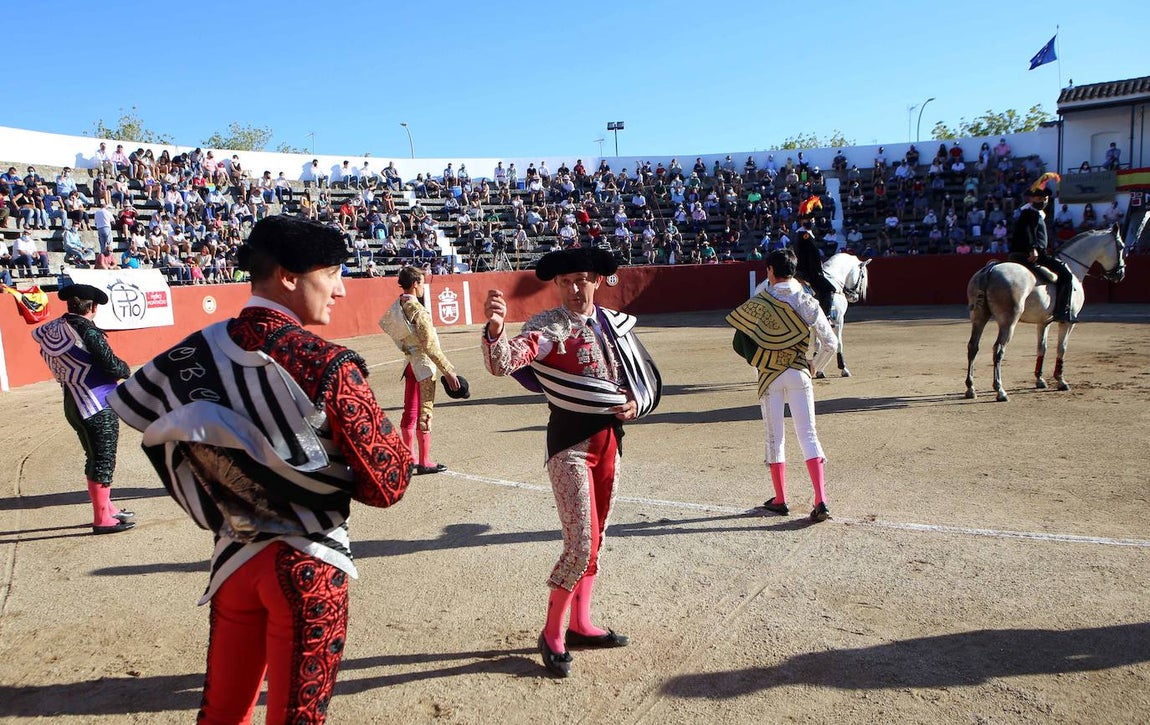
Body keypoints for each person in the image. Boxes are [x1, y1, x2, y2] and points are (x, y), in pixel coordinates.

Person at [107, 215, 414, 723]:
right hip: (310, 561)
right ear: (290, 277)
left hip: (233, 559)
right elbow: (388, 485)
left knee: (222, 712)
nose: (340, 290)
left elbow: (140, 411)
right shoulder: (329, 363)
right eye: (332, 273)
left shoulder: (191, 351)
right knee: (297, 716)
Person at [481, 247, 662, 678]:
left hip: (610, 444)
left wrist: (636, 403)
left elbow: (640, 379)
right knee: (580, 544)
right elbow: (502, 362)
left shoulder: (613, 325)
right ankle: (552, 633)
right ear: (557, 286)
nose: (575, 288)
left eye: (582, 279)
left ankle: (581, 623)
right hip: (570, 447)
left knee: (596, 540)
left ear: (596, 280)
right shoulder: (549, 328)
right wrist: (494, 331)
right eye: (566, 282)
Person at [728, 248, 837, 522]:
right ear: (794, 270)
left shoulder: (760, 301)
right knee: (808, 435)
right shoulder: (807, 301)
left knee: (775, 438)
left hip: (769, 375)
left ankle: (780, 499)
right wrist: (815, 365)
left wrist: (759, 359)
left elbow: (740, 342)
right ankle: (821, 499)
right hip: (800, 372)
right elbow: (831, 344)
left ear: (770, 271)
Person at [32, 284, 135, 534]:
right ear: (93, 307)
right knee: (103, 459)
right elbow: (113, 367)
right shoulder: (87, 331)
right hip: (96, 404)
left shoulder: (53, 327)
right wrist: (125, 368)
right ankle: (102, 519)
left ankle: (107, 508)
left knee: (95, 455)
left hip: (72, 400)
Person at [378, 266, 463, 475]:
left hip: (409, 363)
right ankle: (424, 461)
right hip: (424, 366)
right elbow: (431, 347)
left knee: (410, 410)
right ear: (415, 283)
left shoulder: (398, 305)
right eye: (422, 283)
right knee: (425, 411)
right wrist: (448, 370)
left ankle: (410, 458)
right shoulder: (418, 311)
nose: (424, 287)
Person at [1009, 180, 1075, 322]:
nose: (1043, 201)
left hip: (1024, 252)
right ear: (1031, 198)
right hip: (1032, 254)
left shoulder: (1035, 213)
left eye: (1045, 199)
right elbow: (1027, 232)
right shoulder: (1030, 213)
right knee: (1066, 274)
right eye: (1039, 198)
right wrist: (1032, 248)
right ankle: (1062, 312)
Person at [791, 227, 834, 317]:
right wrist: (818, 271)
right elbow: (810, 259)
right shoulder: (805, 236)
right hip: (809, 273)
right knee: (828, 289)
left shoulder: (801, 235)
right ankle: (826, 316)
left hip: (800, 271)